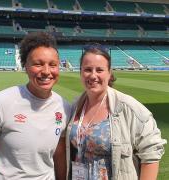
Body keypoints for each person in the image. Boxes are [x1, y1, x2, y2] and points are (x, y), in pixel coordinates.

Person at [66, 44, 166, 180]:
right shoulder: (76, 105)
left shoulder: (127, 107)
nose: (93, 75)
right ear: (81, 73)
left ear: (109, 73)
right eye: (87, 69)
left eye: (99, 70)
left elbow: (151, 150)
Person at [0, 32, 71, 179]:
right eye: (38, 64)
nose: (46, 71)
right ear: (25, 66)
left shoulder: (64, 107)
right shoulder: (0, 102)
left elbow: (59, 154)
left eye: (52, 65)